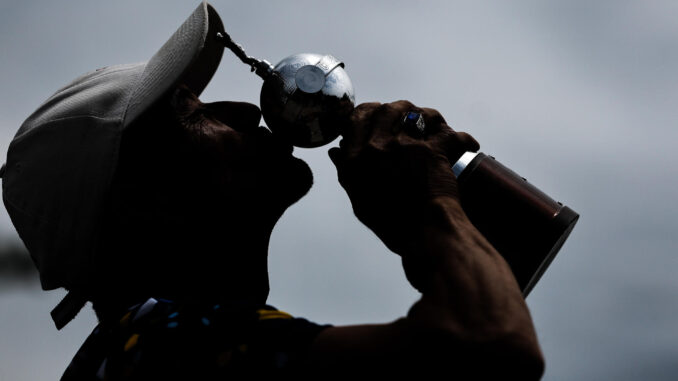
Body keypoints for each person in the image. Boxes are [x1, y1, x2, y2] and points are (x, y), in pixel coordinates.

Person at [0, 2, 544, 379]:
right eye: (190, 114)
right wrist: (432, 208)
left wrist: (434, 228)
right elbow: (490, 350)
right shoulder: (162, 348)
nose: (241, 109)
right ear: (140, 203)